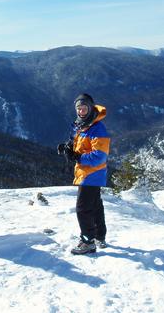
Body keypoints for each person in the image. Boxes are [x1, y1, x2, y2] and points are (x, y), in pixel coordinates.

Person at [57, 93, 110, 255]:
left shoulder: (97, 128)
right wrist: (67, 148)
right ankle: (99, 236)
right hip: (87, 172)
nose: (81, 111)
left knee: (83, 208)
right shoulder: (81, 125)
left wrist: (78, 157)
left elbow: (100, 156)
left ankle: (88, 241)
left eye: (84, 108)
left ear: (91, 107)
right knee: (95, 205)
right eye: (78, 109)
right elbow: (76, 142)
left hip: (92, 174)